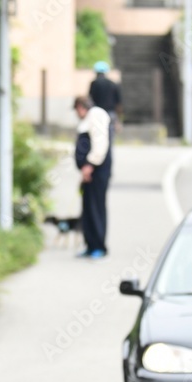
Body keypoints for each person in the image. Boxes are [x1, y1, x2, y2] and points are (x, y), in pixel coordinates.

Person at [73, 95, 112, 259]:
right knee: (87, 208)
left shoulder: (96, 114)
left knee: (96, 207)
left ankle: (99, 246)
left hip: (97, 171)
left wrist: (90, 165)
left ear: (81, 107)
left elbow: (100, 143)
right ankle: (90, 245)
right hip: (89, 171)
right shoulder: (89, 118)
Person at [88, 61, 122, 134]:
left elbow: (90, 99)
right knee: (110, 132)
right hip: (111, 112)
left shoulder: (94, 83)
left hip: (98, 112)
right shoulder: (113, 84)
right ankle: (109, 145)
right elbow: (118, 101)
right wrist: (118, 117)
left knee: (99, 134)